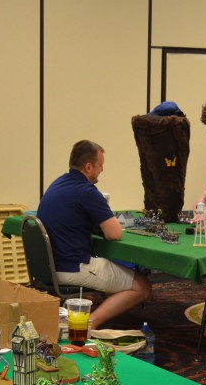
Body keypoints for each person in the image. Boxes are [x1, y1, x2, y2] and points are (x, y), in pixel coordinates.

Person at [36, 140, 151, 329]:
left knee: (114, 272)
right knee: (143, 286)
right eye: (100, 165)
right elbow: (114, 234)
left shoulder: (57, 183)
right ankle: (89, 323)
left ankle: (78, 313)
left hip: (48, 267)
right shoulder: (87, 191)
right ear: (88, 167)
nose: (102, 170)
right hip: (72, 268)